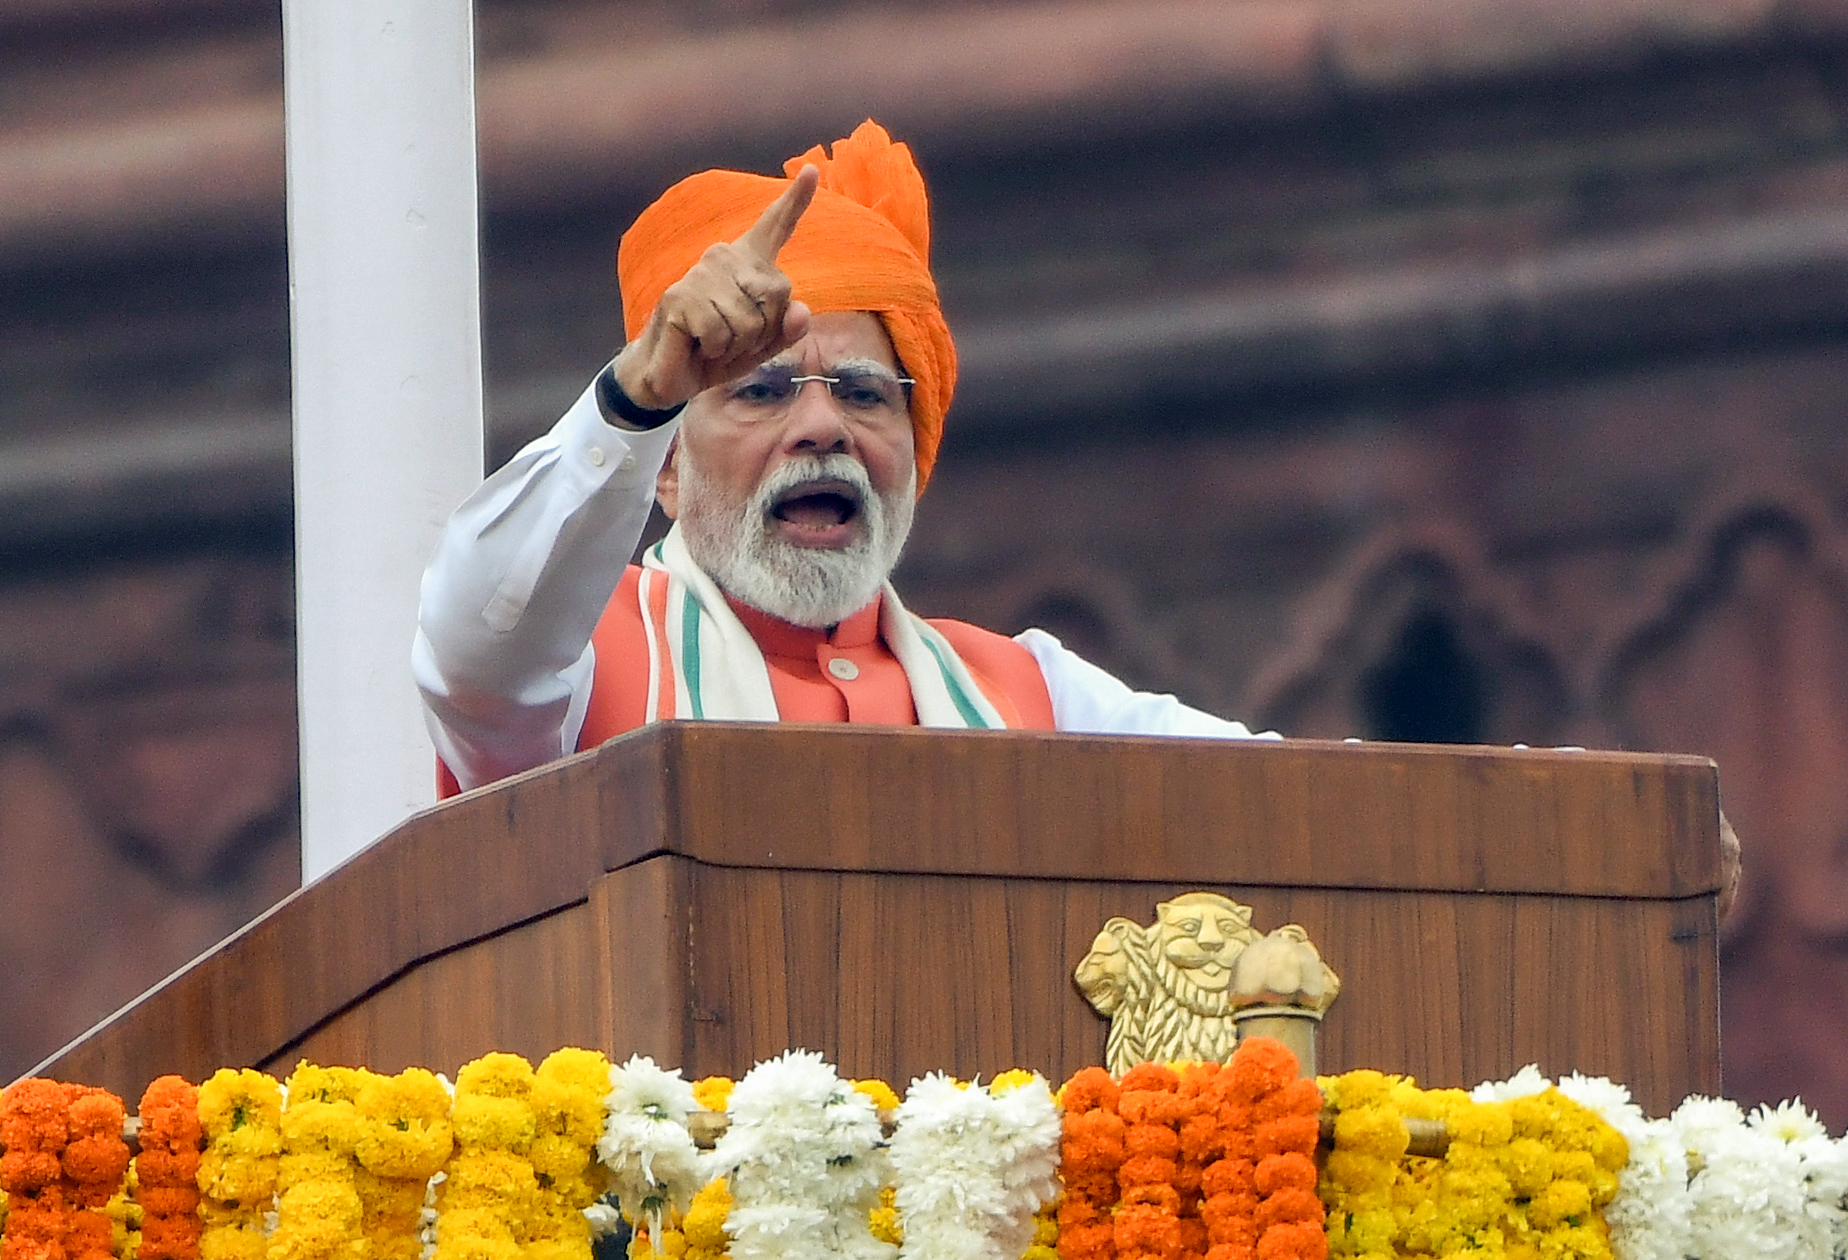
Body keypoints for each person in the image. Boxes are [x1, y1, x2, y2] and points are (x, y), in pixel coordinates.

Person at [414, 121, 1265, 794]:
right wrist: (637, 396)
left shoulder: (1029, 693)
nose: (823, 425)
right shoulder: (580, 657)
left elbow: (1295, 794)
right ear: (665, 469)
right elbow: (476, 647)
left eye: (863, 392)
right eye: (762, 390)